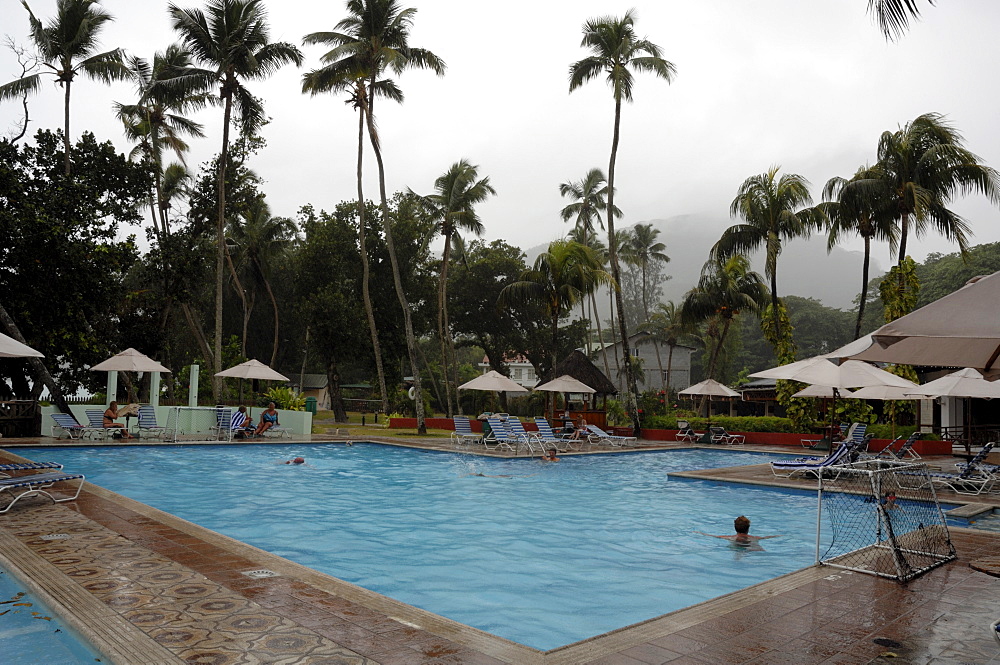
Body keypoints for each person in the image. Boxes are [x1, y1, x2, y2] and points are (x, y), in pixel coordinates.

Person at [696, 516, 780, 549]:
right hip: (752, 546)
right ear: (748, 528)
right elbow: (767, 537)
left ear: (735, 528)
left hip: (736, 546)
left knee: (737, 552)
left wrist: (700, 533)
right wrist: (778, 535)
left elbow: (714, 536)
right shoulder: (755, 538)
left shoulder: (730, 537)